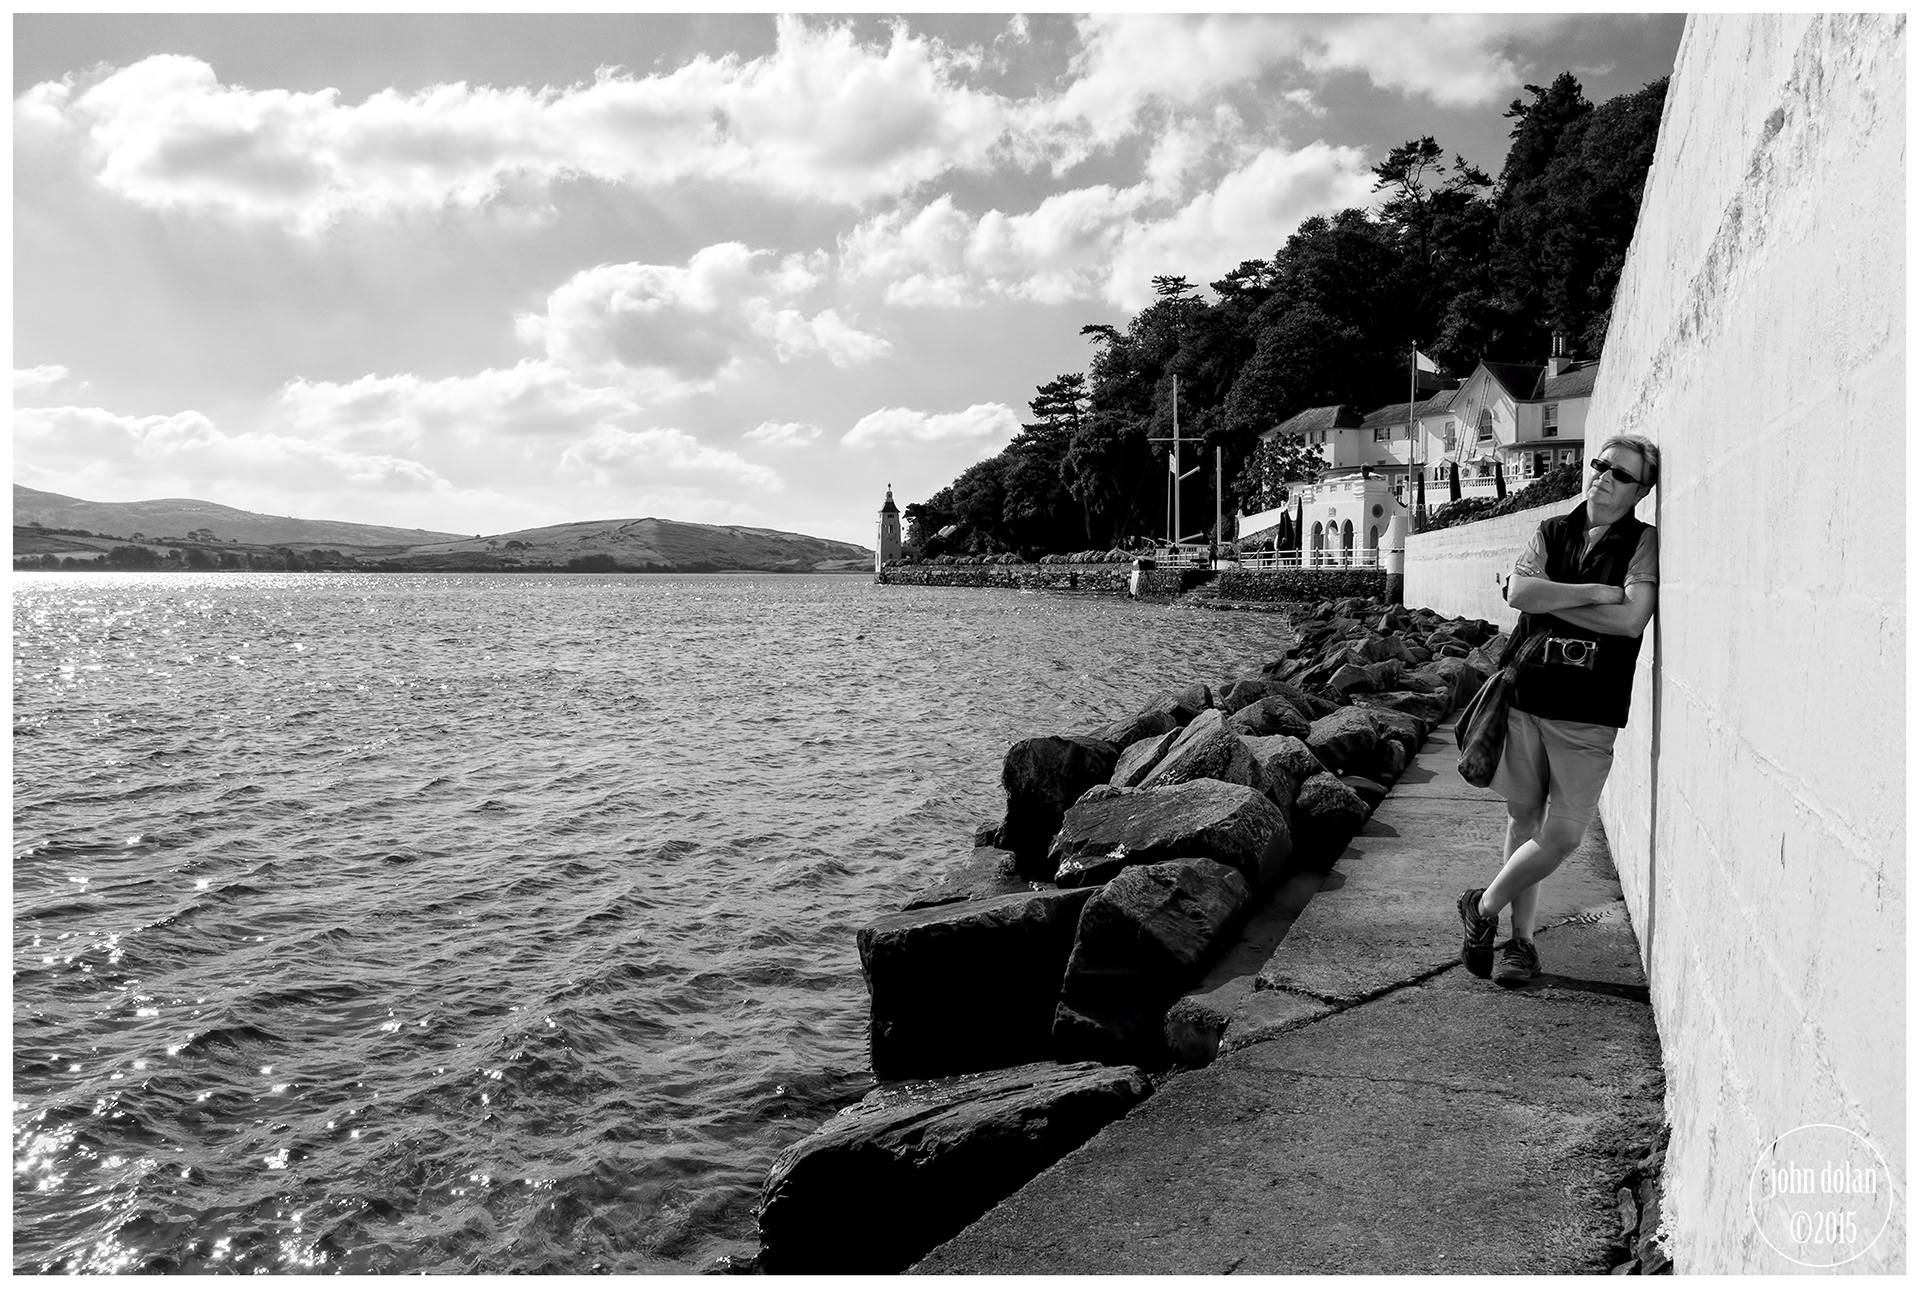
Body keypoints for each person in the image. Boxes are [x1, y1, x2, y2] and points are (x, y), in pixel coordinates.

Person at [1457, 435, 1660, 987]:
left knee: (1565, 834)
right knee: (1524, 821)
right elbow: (1521, 594)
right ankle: (1520, 946)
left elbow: (1631, 623)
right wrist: (1597, 593)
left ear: (1641, 490)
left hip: (1589, 714)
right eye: (1600, 466)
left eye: (1619, 473)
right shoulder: (1552, 530)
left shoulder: (1643, 543)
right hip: (1526, 702)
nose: (1602, 476)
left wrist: (1558, 597)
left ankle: (1482, 906)